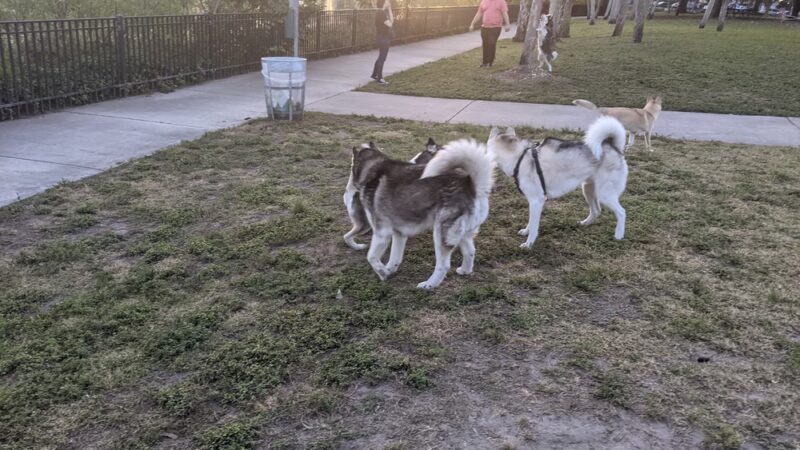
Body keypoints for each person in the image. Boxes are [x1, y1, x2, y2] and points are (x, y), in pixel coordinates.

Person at [469, 0, 511, 68]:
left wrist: (508, 24)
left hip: (495, 27)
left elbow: (504, 13)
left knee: (491, 43)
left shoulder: (501, 2)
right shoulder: (484, 1)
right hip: (484, 27)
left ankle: (489, 62)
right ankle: (484, 62)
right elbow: (479, 13)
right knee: (485, 44)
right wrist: (472, 24)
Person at [371, 0, 394, 84]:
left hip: (381, 37)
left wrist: (390, 9)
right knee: (382, 58)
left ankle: (374, 74)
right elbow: (390, 24)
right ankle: (379, 78)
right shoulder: (381, 13)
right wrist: (388, 9)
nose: (389, 2)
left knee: (381, 57)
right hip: (383, 38)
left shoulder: (381, 12)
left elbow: (392, 21)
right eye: (387, 2)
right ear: (384, 3)